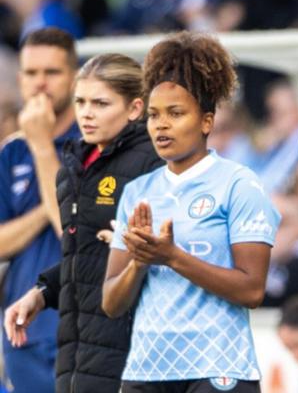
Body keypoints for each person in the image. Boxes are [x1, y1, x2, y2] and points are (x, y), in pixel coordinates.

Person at [101, 31, 279, 393]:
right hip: (147, 369)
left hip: (219, 365)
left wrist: (172, 257)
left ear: (206, 121)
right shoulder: (137, 191)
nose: (161, 125)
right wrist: (139, 261)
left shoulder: (238, 184)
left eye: (175, 113)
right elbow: (111, 304)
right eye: (153, 115)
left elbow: (252, 291)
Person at [3, 53, 163, 392]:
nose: (86, 113)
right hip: (79, 353)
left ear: (134, 109)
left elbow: (149, 259)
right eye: (81, 101)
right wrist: (43, 292)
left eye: (101, 103)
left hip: (132, 353)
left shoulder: (153, 165)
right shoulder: (77, 164)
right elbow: (87, 255)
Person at [0, 27, 79, 392]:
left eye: (52, 73)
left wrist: (43, 147)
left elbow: (70, 227)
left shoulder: (93, 139)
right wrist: (44, 210)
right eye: (32, 73)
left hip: (81, 330)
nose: (40, 84)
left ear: (74, 77)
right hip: (23, 333)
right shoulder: (13, 152)